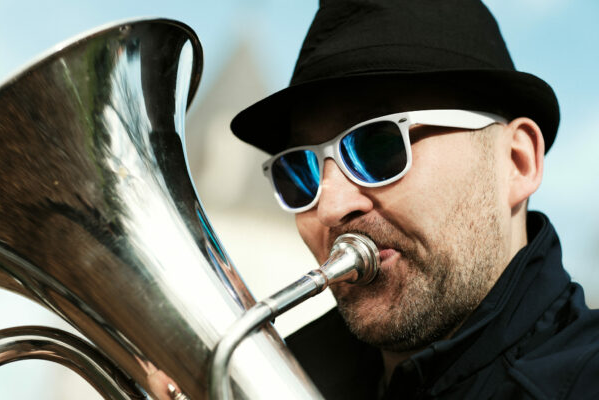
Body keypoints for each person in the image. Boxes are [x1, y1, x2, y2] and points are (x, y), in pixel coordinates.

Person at [230, 0, 599, 399]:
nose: (330, 208)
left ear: (516, 162)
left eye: (379, 146)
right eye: (299, 170)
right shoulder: (267, 379)